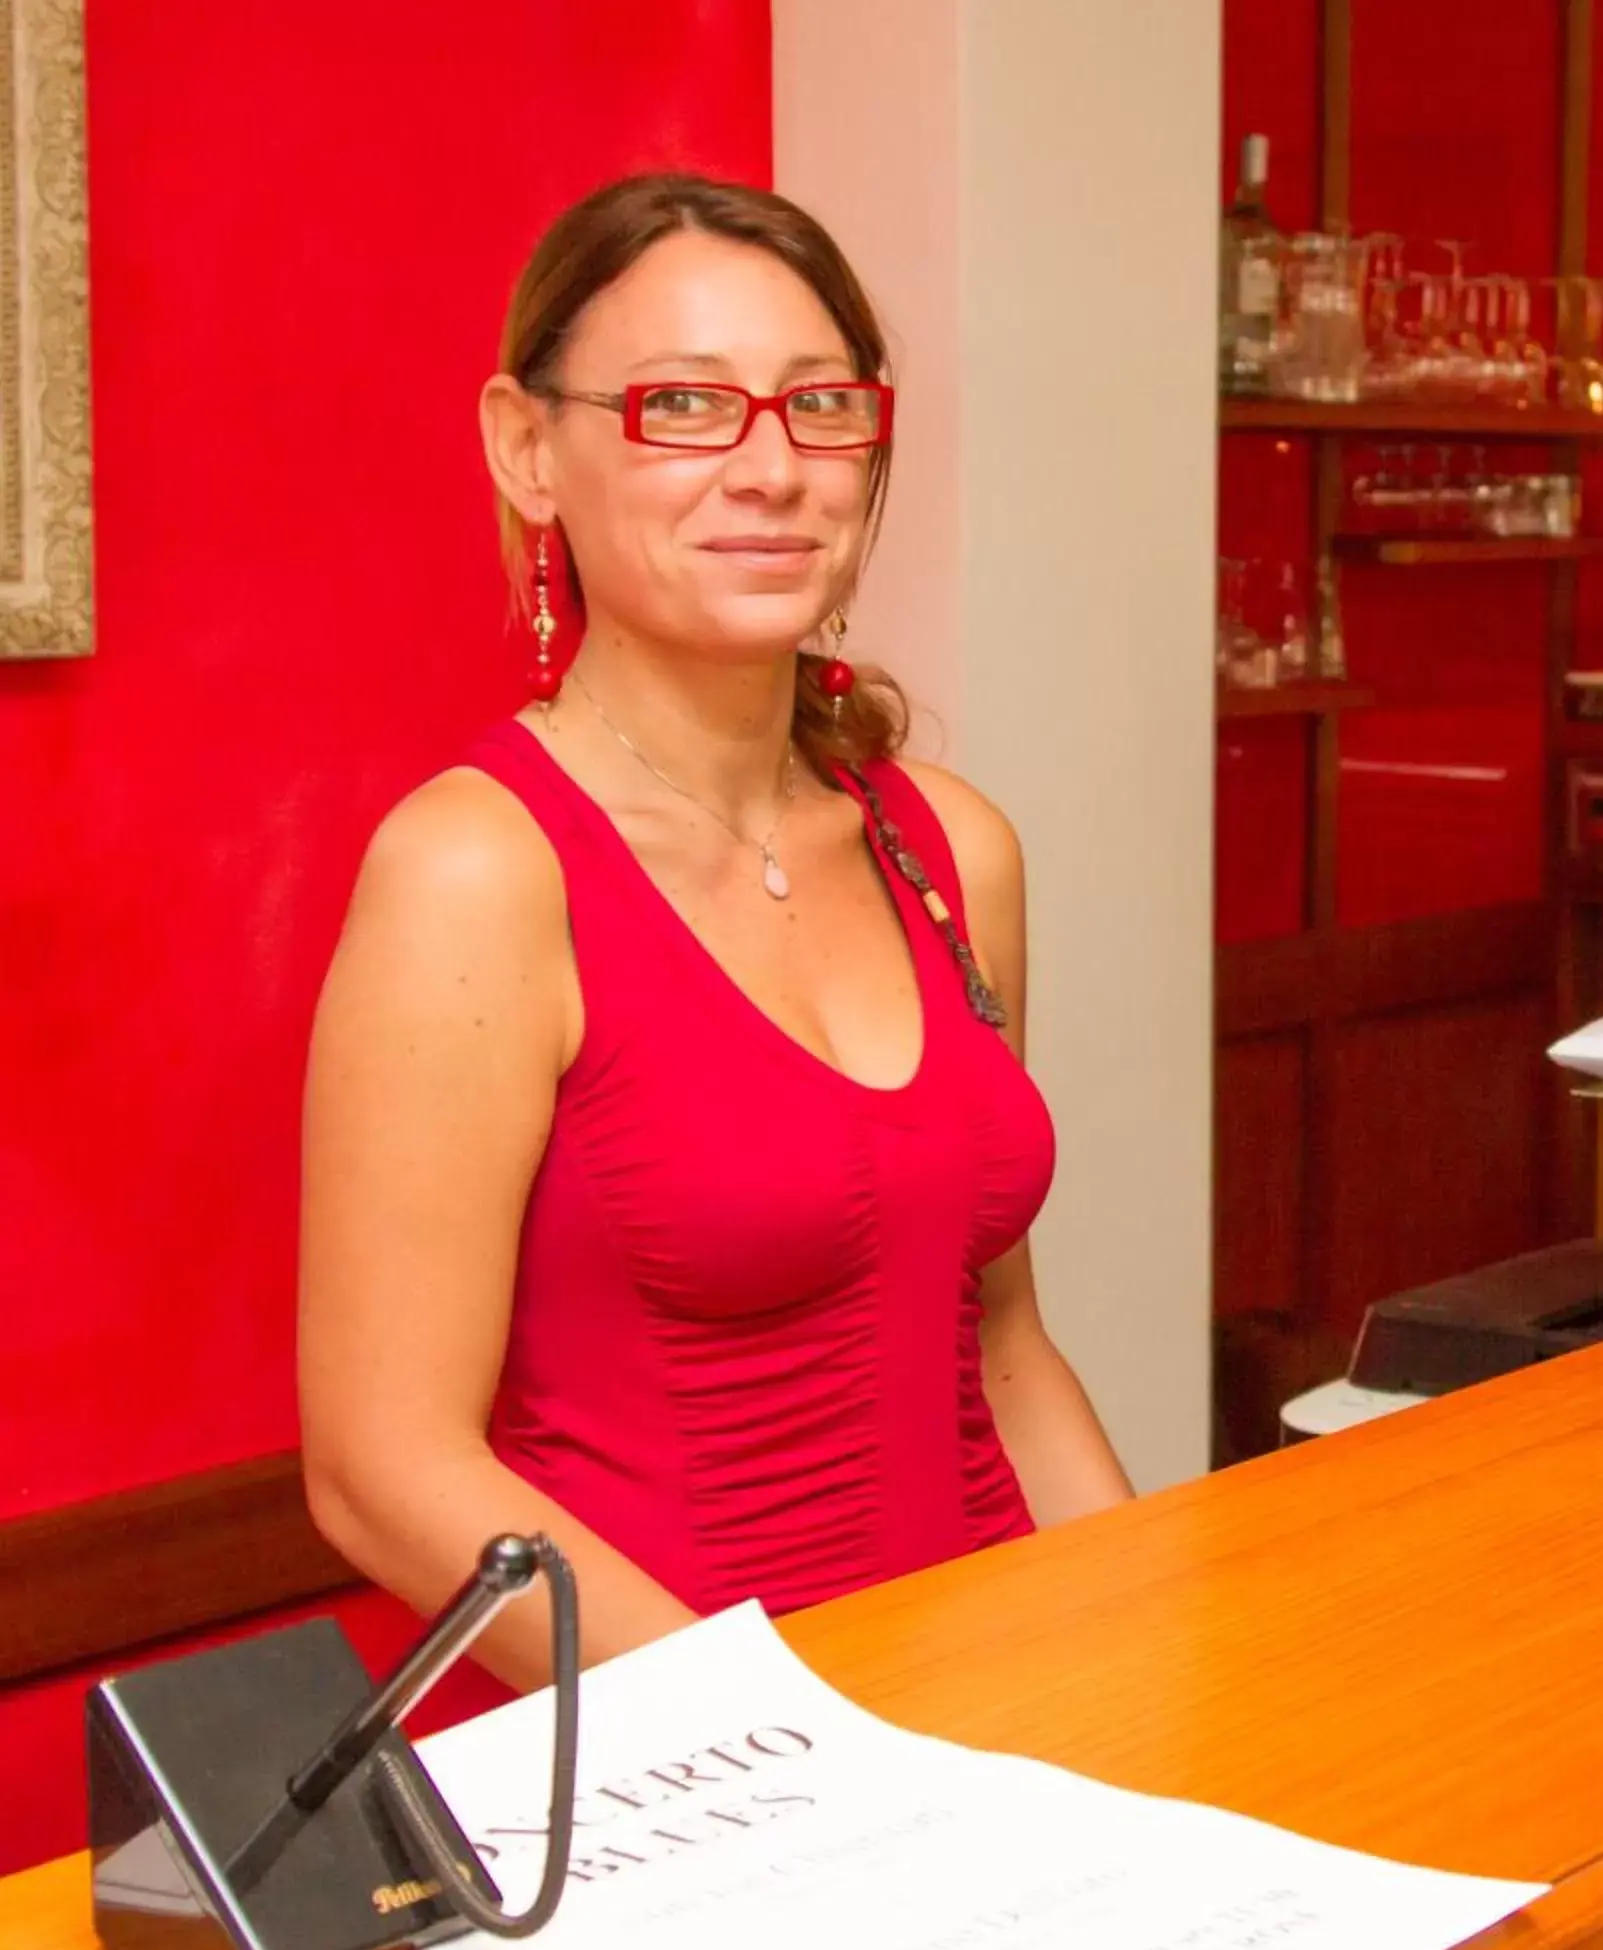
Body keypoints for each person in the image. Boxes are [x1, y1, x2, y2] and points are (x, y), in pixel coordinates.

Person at [297, 173, 1131, 1689]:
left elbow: (1003, 1350)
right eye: (683, 406)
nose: (773, 472)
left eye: (821, 408)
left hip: (1006, 1715)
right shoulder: (477, 871)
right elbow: (383, 1469)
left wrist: (1160, 1657)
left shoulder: (955, 848)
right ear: (526, 449)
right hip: (687, 1766)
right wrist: (792, 1755)